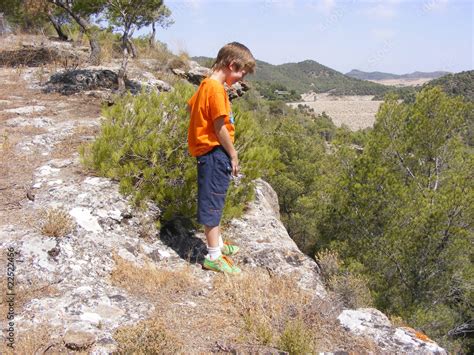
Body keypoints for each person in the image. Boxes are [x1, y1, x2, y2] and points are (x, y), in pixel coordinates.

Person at [187, 42, 256, 273]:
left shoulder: (206, 85)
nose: (240, 79)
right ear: (232, 65)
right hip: (215, 152)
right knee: (213, 202)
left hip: (208, 153)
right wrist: (233, 154)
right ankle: (213, 257)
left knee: (214, 197)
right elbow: (219, 127)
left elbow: (190, 108)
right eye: (241, 73)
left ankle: (219, 244)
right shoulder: (216, 89)